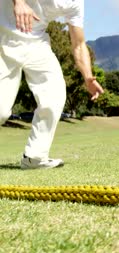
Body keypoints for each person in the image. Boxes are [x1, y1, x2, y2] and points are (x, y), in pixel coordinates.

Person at [0, 0, 104, 169]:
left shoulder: (76, 3)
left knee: (54, 94)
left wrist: (88, 77)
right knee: (1, 111)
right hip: (3, 36)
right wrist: (18, 2)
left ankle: (35, 157)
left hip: (36, 43)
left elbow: (78, 44)